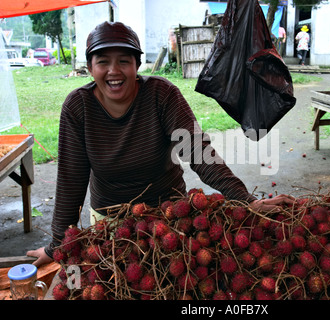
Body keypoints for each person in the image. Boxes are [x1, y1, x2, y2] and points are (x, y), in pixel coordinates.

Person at [27, 21, 294, 267]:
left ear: (137, 65)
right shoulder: (78, 107)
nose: (114, 71)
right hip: (110, 222)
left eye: (124, 61)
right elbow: (71, 181)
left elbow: (199, 152)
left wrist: (245, 200)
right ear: (90, 68)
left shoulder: (161, 94)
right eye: (103, 62)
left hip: (169, 217)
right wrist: (57, 247)